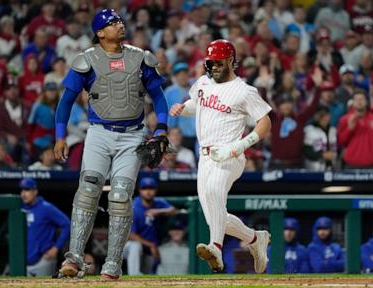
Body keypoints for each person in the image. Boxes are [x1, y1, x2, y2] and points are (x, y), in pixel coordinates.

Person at [54, 9, 169, 280]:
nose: (119, 25)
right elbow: (65, 101)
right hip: (99, 133)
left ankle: (113, 264)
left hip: (133, 134)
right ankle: (74, 258)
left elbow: (158, 97)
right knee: (88, 188)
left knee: (120, 195)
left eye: (119, 21)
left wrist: (162, 128)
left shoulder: (140, 57)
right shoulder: (87, 59)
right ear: (100, 32)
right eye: (111, 23)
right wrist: (59, 136)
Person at [170, 39, 271, 273]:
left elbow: (264, 123)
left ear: (230, 61)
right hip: (204, 157)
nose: (213, 66)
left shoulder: (244, 91)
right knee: (216, 218)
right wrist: (183, 108)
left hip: (229, 153)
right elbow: (199, 104)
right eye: (210, 62)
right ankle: (256, 239)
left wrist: (239, 146)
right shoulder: (203, 82)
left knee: (215, 191)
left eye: (218, 62)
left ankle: (216, 247)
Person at [124, 177, 177, 275]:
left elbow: (173, 210)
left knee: (147, 277)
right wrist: (151, 245)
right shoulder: (134, 206)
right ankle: (133, 275)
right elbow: (130, 235)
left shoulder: (159, 203)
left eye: (151, 188)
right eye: (144, 188)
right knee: (135, 246)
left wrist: (158, 211)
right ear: (140, 190)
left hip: (150, 250)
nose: (148, 191)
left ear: (155, 190)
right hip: (130, 249)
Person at [19, 178, 70, 276]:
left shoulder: (46, 208)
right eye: (22, 190)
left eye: (27, 190)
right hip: (22, 261)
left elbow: (67, 224)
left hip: (43, 260)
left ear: (35, 191)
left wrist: (56, 248)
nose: (23, 193)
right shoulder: (20, 208)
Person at [337, 90, 373, 168]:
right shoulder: (345, 119)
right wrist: (349, 129)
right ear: (352, 102)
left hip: (371, 164)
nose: (359, 102)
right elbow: (340, 142)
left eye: (362, 99)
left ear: (367, 102)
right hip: (351, 164)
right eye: (356, 99)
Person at [303, 106, 337, 171]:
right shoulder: (309, 130)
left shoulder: (333, 130)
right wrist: (322, 155)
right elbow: (306, 151)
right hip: (314, 169)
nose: (324, 118)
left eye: (326, 115)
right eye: (321, 115)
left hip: (332, 168)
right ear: (316, 116)